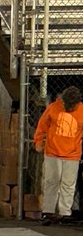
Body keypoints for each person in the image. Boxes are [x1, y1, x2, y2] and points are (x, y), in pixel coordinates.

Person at [34, 85, 83, 223]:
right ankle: (48, 211)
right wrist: (38, 141)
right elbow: (42, 125)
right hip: (53, 152)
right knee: (51, 182)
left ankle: (65, 213)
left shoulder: (82, 110)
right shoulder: (54, 107)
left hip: (72, 154)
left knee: (68, 184)